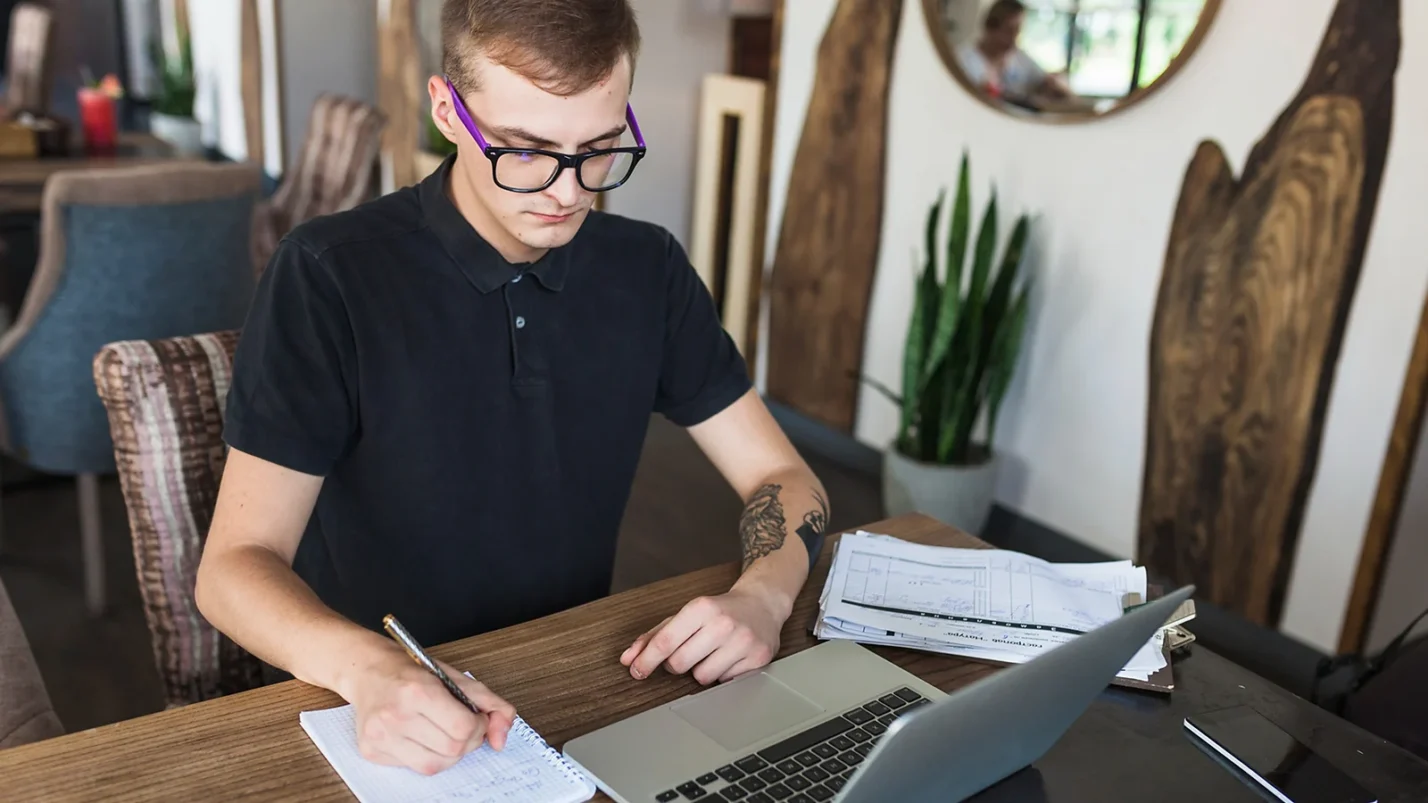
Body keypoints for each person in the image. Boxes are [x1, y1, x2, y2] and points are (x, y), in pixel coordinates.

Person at [193, 0, 829, 779]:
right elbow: (232, 568)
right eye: (525, 150)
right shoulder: (330, 274)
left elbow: (783, 476)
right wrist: (367, 670)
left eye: (597, 149)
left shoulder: (647, 269)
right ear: (447, 111)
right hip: (376, 707)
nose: (566, 191)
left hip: (574, 678)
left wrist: (765, 595)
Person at [957, 0, 1073, 107]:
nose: (1013, 38)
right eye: (1008, 30)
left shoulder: (1020, 59)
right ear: (990, 27)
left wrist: (1055, 84)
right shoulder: (963, 59)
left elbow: (1047, 81)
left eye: (1017, 31)